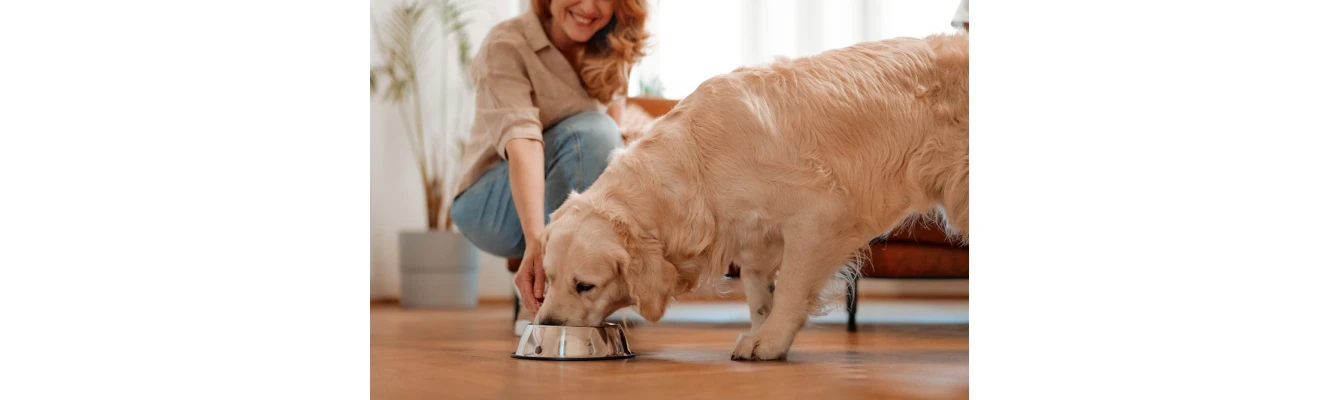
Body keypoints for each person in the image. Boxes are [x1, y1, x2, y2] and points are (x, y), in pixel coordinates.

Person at [449, 0, 649, 334]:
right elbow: (523, 144)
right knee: (593, 132)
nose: (588, 6)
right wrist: (537, 240)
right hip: (490, 205)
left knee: (604, 136)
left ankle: (579, 302)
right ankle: (543, 303)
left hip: (555, 194)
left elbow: (612, 156)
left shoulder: (612, 47)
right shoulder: (506, 44)